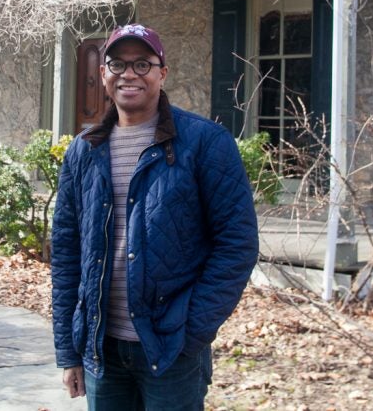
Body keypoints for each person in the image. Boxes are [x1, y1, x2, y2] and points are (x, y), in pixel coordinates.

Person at [51, 23, 259, 410]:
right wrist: (68, 349)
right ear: (103, 74)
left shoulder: (204, 142)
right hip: (103, 352)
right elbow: (66, 254)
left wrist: (191, 330)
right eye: (117, 64)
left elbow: (238, 244)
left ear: (162, 73)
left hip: (170, 352)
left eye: (143, 64)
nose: (129, 74)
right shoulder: (83, 151)